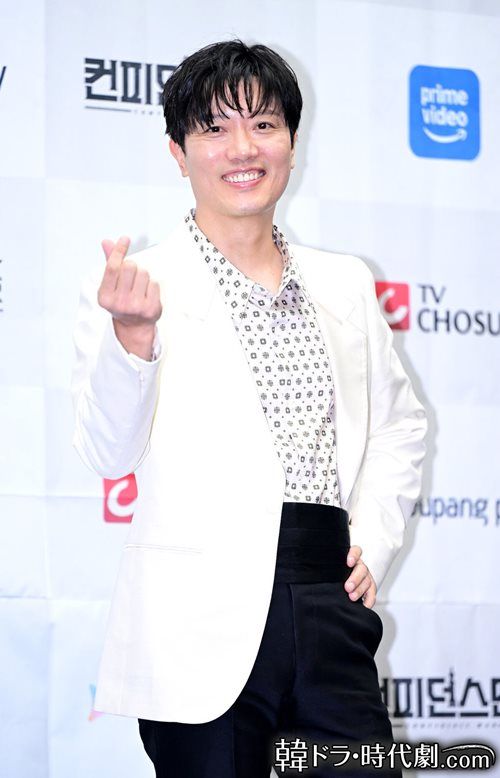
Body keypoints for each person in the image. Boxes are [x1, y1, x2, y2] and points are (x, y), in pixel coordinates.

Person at [71, 39, 427, 777]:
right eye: (215, 128)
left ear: (292, 143)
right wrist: (133, 341)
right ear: (178, 152)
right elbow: (107, 452)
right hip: (195, 623)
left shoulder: (345, 283)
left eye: (264, 125)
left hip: (329, 600)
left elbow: (400, 424)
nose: (243, 148)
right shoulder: (139, 286)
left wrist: (374, 540)